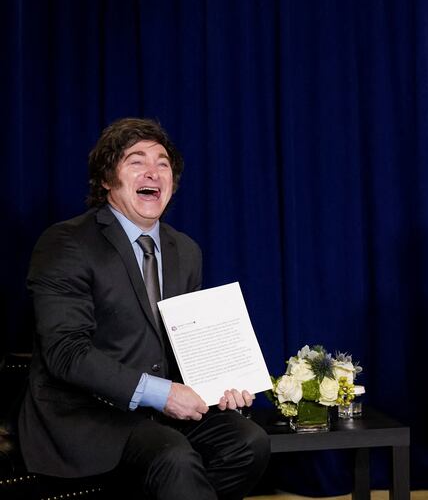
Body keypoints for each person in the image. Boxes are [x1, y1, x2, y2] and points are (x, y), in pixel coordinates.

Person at [18, 118, 270, 499]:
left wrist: (220, 384)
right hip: (87, 415)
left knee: (248, 443)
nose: (153, 171)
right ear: (107, 179)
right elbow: (65, 352)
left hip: (157, 416)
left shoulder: (185, 250)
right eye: (136, 161)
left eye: (162, 164)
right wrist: (162, 394)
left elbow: (185, 348)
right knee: (174, 457)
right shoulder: (66, 242)